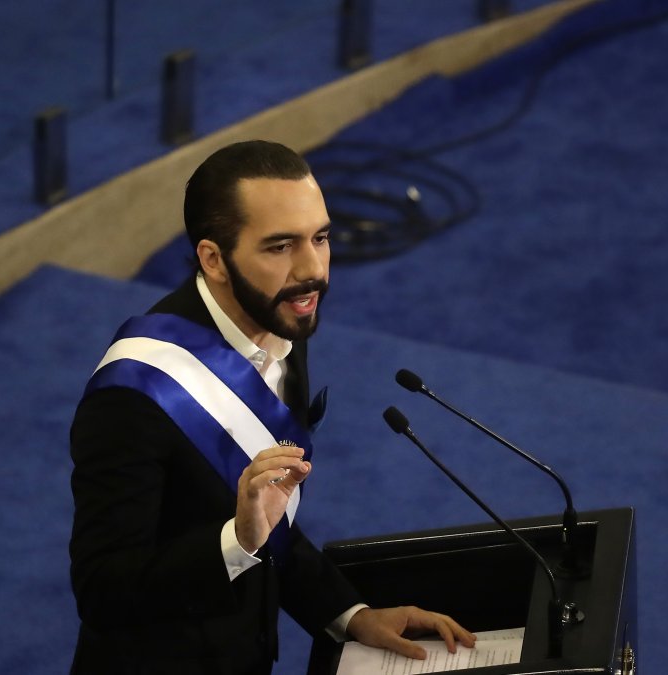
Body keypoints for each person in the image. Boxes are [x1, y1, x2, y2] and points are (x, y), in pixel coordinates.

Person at [68, 140, 474, 674]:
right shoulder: (134, 395)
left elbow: (271, 523)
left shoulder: (282, 322)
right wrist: (234, 542)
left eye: (321, 238)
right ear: (214, 258)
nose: (313, 270)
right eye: (280, 246)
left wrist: (349, 615)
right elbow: (103, 592)